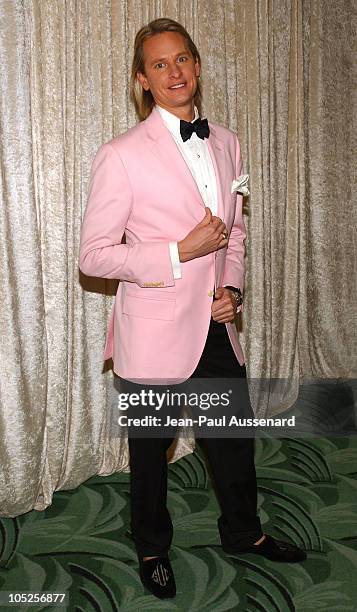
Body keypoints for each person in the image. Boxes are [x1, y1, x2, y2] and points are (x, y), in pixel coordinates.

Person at [79, 17, 306, 600]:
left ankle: (244, 534)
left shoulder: (226, 142)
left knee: (232, 441)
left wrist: (232, 289)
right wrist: (179, 252)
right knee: (151, 457)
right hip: (152, 334)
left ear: (197, 66)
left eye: (182, 59)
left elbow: (233, 236)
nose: (174, 71)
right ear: (142, 81)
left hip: (215, 326)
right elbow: (95, 257)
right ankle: (152, 547)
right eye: (160, 64)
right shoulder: (121, 155)